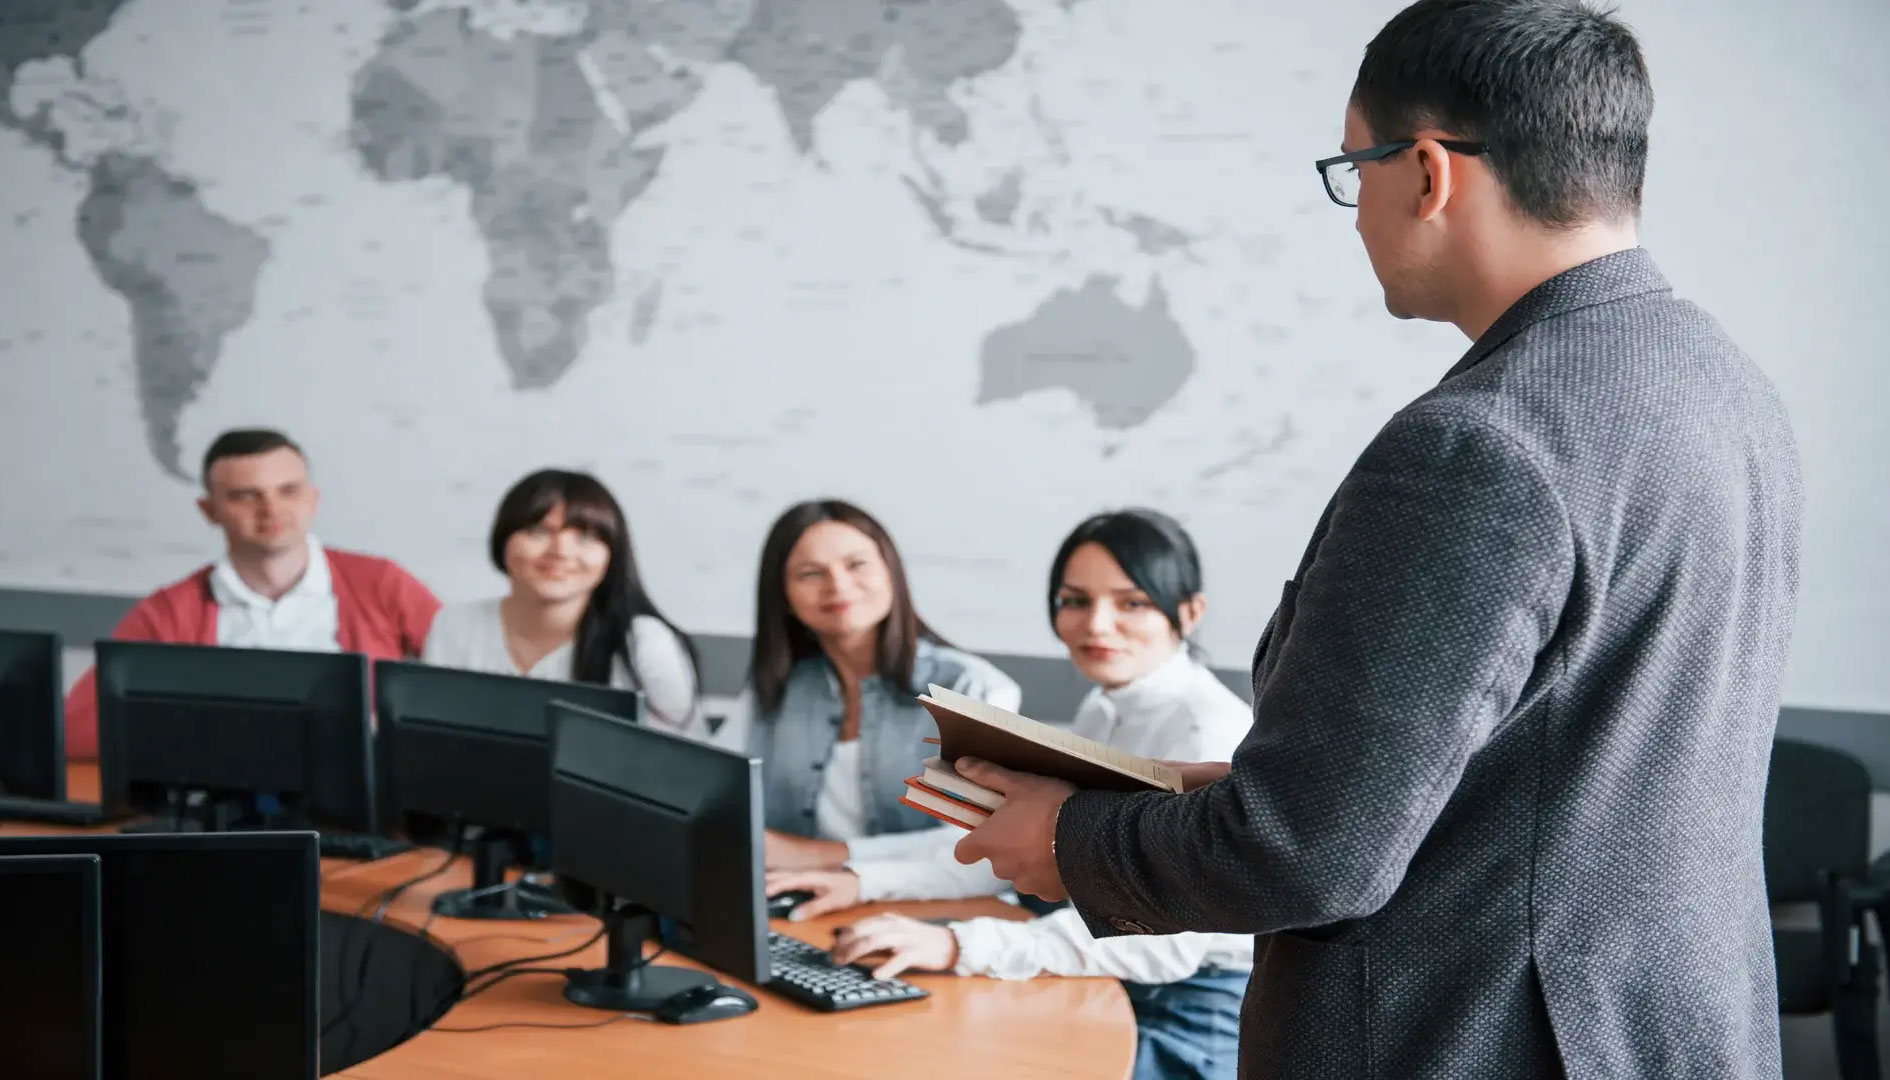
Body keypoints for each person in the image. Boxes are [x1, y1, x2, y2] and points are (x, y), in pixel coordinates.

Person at [954, 4, 1803, 1079]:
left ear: (1429, 173)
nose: (1355, 211)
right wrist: (1243, 789)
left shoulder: (1479, 446)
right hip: (1666, 1029)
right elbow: (1565, 761)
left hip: (1471, 1036)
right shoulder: (1725, 387)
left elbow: (1310, 858)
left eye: (1353, 168)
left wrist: (1072, 842)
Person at [772, 509, 1254, 1080]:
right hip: (1103, 974)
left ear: (1190, 611)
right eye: (1074, 601)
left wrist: (960, 947)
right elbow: (1013, 846)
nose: (1096, 625)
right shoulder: (1104, 708)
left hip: (1185, 1014)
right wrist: (865, 883)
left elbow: (1165, 943)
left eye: (1132, 602)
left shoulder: (1208, 730)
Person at [63, 428, 440, 759]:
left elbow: (465, 693)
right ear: (209, 510)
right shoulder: (168, 612)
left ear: (313, 498)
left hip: (361, 803)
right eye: (245, 496)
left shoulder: (381, 582)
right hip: (223, 805)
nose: (271, 509)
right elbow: (75, 730)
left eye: (288, 490)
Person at [712, 499, 1021, 871]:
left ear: (891, 573)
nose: (838, 585)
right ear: (785, 598)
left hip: (937, 912)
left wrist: (826, 858)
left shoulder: (973, 687)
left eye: (857, 564)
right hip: (801, 902)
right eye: (811, 573)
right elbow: (706, 792)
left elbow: (974, 845)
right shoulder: (773, 687)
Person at [422, 469, 702, 734]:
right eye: (539, 531)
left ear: (612, 555)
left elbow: (690, 767)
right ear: (504, 540)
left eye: (587, 537)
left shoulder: (645, 643)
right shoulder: (454, 626)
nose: (561, 552)